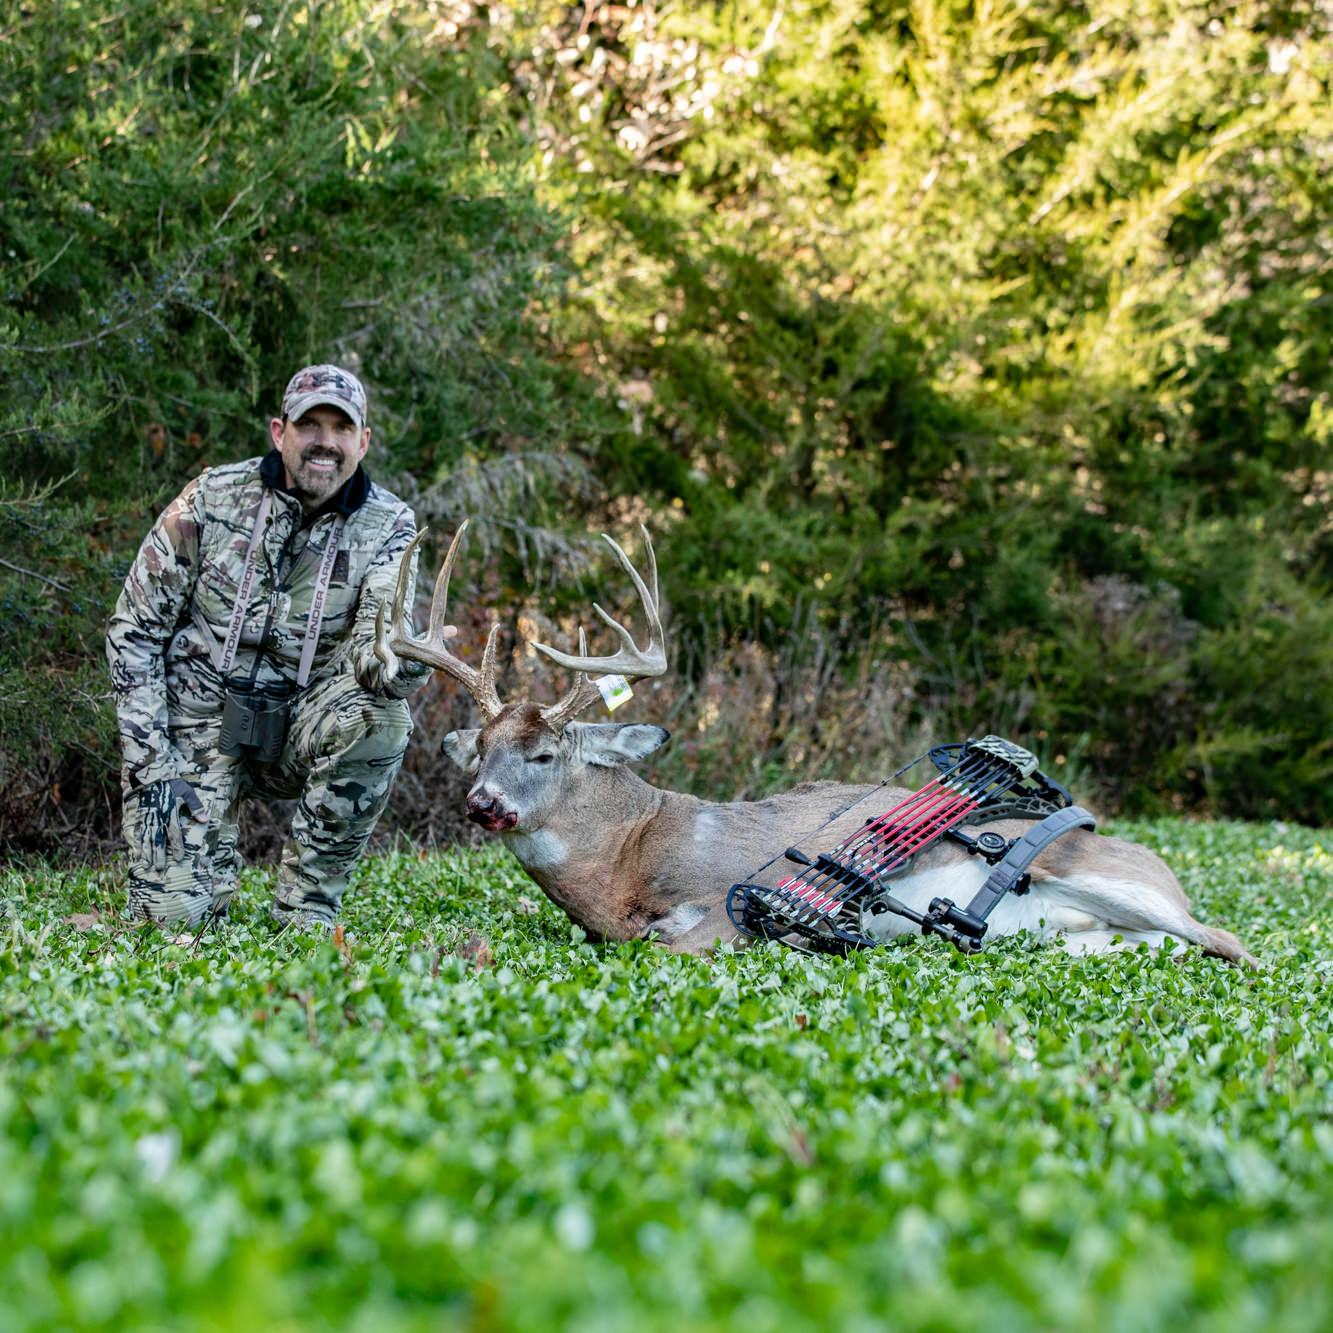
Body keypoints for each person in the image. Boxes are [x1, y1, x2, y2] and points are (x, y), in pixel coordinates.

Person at [106, 364, 434, 931]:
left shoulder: (390, 526)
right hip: (199, 727)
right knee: (172, 924)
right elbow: (133, 631)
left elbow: (376, 641)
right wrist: (152, 767)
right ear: (280, 432)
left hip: (302, 724)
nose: (325, 442)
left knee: (383, 716)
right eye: (310, 426)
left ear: (364, 441)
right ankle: (206, 866)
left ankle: (304, 907)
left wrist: (399, 663)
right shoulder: (211, 499)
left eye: (340, 428)